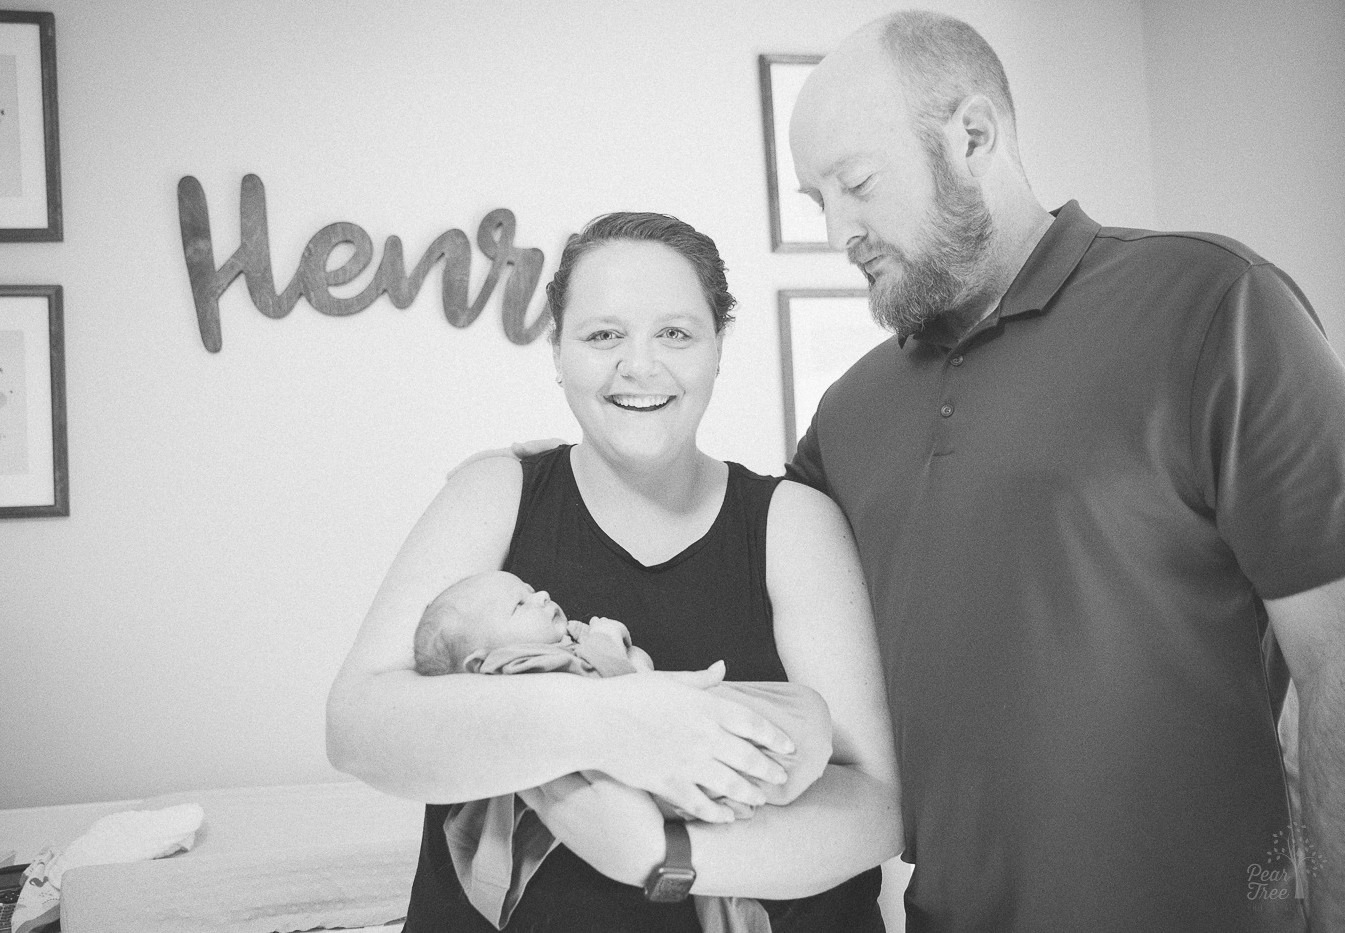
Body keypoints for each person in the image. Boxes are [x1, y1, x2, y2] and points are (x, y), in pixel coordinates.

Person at [780, 9, 1345, 932]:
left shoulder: (1214, 305)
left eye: (857, 183)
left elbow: (1338, 657)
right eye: (817, 201)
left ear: (972, 136)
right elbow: (755, 588)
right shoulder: (847, 413)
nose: (839, 228)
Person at [326, 211, 904, 933]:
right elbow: (357, 727)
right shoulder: (494, 493)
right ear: (558, 353)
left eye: (676, 333)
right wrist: (615, 723)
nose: (640, 365)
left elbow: (878, 807)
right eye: (603, 335)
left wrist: (660, 851)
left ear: (717, 347)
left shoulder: (793, 522)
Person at [414, 569, 837, 933]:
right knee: (801, 718)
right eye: (520, 604)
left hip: (663, 771)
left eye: (530, 587)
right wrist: (606, 643)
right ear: (479, 664)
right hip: (656, 778)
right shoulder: (516, 673)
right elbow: (610, 694)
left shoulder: (547, 659)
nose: (540, 596)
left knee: (799, 722)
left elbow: (624, 691)